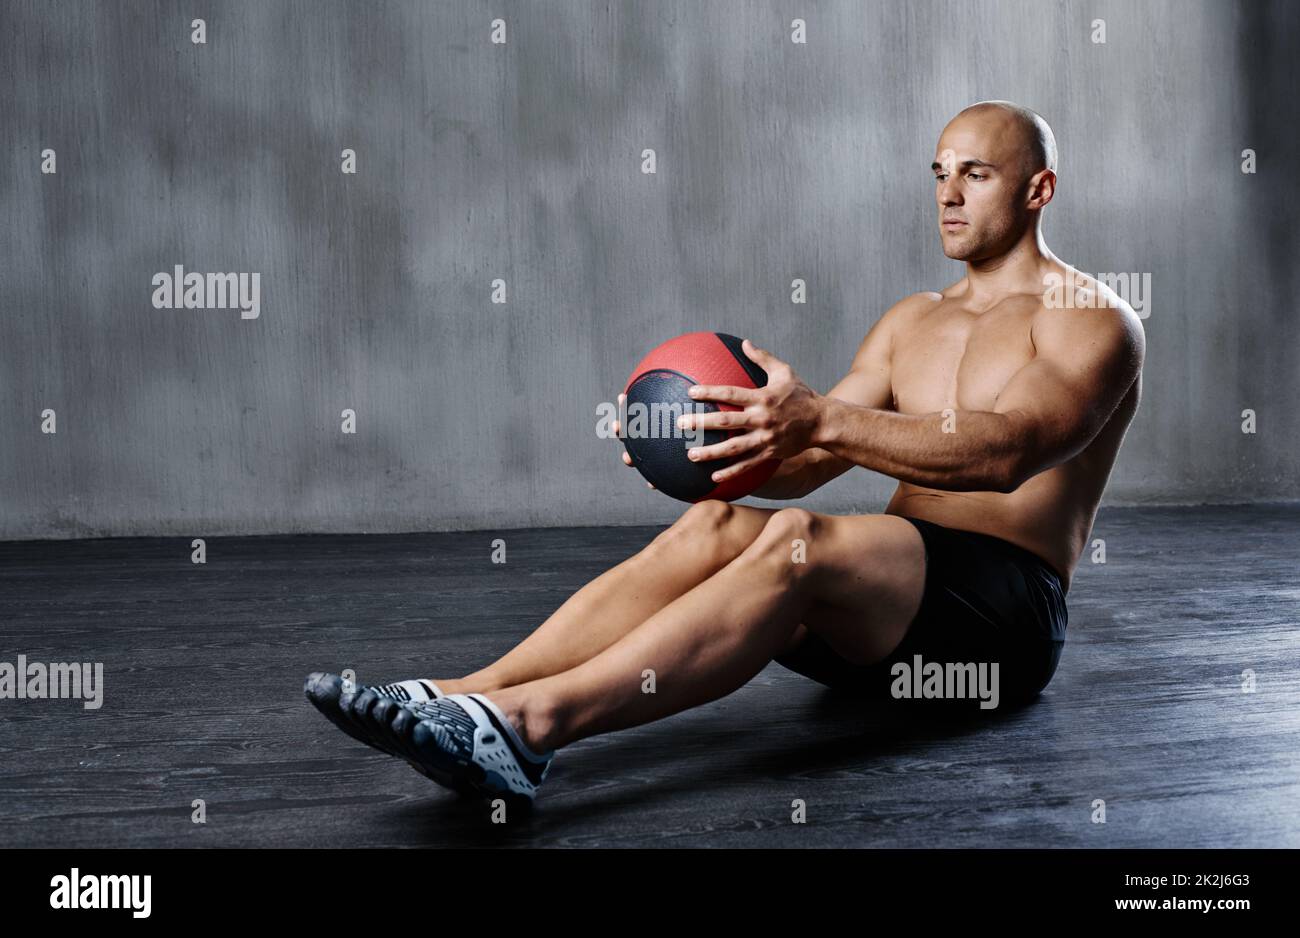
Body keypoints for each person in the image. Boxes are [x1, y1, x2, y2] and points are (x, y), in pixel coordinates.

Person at [305, 100, 1145, 807]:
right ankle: (460, 699)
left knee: (797, 542)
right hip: (878, 624)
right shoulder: (912, 320)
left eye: (977, 175)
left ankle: (527, 731)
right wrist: (713, 452)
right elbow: (811, 457)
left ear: (1040, 189)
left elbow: (1009, 452)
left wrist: (814, 420)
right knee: (714, 525)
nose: (949, 196)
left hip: (1000, 629)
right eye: (938, 173)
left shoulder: (1090, 319)